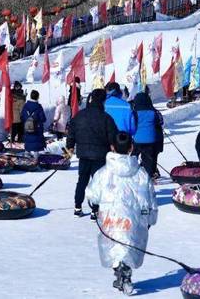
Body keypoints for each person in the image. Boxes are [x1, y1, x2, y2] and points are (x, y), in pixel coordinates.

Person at [85, 132, 158, 295]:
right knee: (129, 244)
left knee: (114, 246)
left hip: (111, 217)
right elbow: (150, 196)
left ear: (112, 148)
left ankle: (121, 272)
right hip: (134, 218)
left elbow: (92, 194)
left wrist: (94, 203)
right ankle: (124, 273)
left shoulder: (103, 172)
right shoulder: (141, 173)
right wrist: (151, 217)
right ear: (131, 148)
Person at [66, 88, 119, 217]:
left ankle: (77, 207)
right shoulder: (106, 117)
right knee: (97, 183)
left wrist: (70, 147)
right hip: (100, 155)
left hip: (83, 154)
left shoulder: (80, 115)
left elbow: (71, 132)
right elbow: (113, 136)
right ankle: (95, 210)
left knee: (82, 181)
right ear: (102, 101)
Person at [131, 92, 163, 178]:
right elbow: (161, 122)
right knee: (148, 160)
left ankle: (131, 173)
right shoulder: (154, 112)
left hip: (137, 140)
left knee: (133, 157)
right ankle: (148, 175)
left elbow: (132, 125)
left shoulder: (134, 113)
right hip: (151, 140)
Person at [21, 90, 47, 157]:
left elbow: (22, 116)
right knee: (36, 143)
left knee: (28, 141)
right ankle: (36, 159)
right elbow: (43, 118)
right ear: (37, 97)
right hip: (36, 129)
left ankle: (26, 155)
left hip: (27, 126)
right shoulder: (38, 107)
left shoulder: (25, 106)